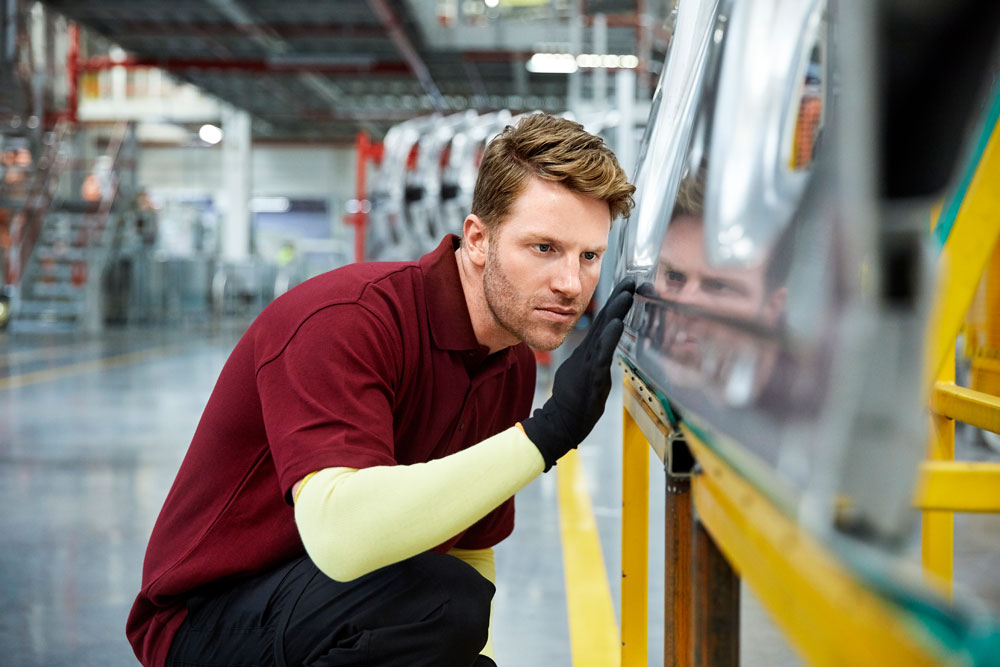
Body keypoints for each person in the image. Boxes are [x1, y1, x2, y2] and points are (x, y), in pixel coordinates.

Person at [127, 113, 636, 667]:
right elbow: (340, 537)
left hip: (331, 610)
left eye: (589, 256)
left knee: (456, 604)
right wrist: (547, 433)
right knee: (439, 600)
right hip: (204, 620)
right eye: (543, 248)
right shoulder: (348, 320)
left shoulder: (508, 364)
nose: (571, 284)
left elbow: (468, 551)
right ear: (478, 240)